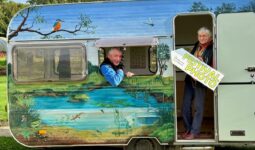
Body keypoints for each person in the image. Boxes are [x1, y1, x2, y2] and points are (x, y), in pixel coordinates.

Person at [182, 27, 213, 140]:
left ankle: (195, 132)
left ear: (209, 37)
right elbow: (189, 59)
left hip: (201, 81)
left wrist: (203, 62)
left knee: (198, 107)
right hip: (190, 80)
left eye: (204, 36)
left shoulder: (212, 48)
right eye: (200, 36)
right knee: (185, 106)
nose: (202, 38)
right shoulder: (197, 45)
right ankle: (188, 129)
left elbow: (212, 65)